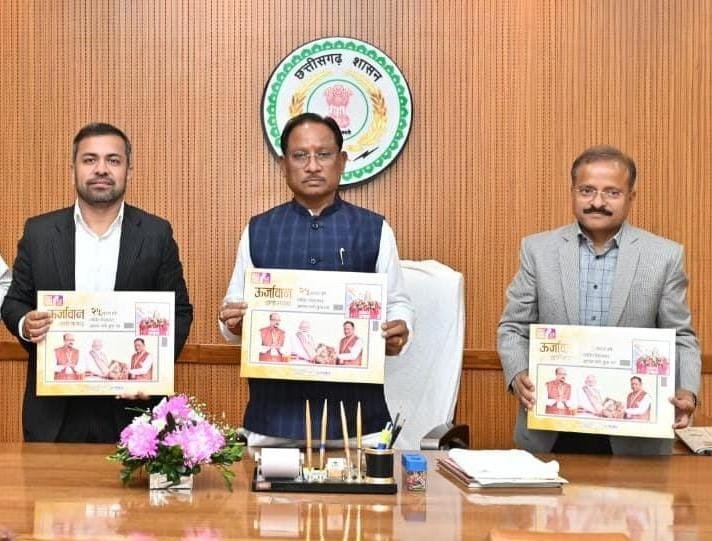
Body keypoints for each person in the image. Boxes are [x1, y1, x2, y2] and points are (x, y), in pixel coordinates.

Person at [218, 112, 413, 446]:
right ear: (283, 164)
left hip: (357, 423)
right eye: (300, 156)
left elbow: (397, 303)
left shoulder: (374, 229)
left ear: (342, 161)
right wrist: (233, 323)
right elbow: (233, 309)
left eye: (323, 154)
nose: (312, 166)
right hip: (273, 422)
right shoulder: (258, 229)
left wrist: (399, 329)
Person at [497, 145, 700, 455]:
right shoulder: (538, 250)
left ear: (631, 197)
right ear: (573, 192)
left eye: (612, 193)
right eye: (587, 190)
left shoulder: (664, 256)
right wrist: (517, 374)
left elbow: (681, 337)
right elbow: (513, 327)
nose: (597, 202)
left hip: (635, 438)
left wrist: (688, 391)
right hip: (552, 429)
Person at [1, 122, 193, 442]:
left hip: (132, 412)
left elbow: (179, 312)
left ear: (128, 171)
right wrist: (25, 323)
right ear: (73, 170)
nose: (101, 169)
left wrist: (153, 374)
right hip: (55, 413)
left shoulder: (156, 234)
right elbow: (15, 302)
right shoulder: (39, 232)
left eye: (113, 160)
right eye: (89, 159)